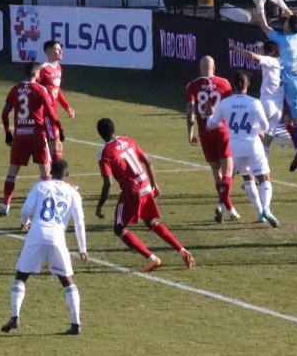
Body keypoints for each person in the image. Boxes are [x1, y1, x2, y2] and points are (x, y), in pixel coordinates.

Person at [94, 118, 195, 273]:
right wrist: (154, 185)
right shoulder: (127, 140)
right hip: (145, 185)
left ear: (100, 134)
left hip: (132, 192)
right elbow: (148, 160)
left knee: (119, 228)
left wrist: (99, 206)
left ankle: (151, 258)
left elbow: (108, 183)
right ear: (114, 129)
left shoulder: (105, 153)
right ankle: (182, 250)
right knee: (152, 222)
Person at [1, 159, 88, 336]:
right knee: (67, 280)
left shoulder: (40, 186)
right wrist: (82, 248)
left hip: (36, 234)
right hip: (57, 237)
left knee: (21, 276)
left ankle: (15, 315)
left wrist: (25, 222)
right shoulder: (73, 193)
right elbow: (79, 222)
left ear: (50, 173)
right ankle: (76, 323)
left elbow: (26, 210)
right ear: (67, 175)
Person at [253, 0, 297, 179]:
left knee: (295, 123)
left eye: (286, 23)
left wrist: (260, 7)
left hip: (295, 86)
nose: (285, 23)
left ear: (288, 28)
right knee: (291, 119)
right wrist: (282, 4)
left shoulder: (283, 40)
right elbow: (293, 18)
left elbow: (264, 26)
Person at [206, 71, 279, 227]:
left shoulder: (225, 103)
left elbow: (210, 125)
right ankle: (265, 208)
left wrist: (211, 115)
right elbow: (265, 126)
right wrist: (258, 129)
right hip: (253, 145)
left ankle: (260, 214)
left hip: (234, 148)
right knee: (265, 179)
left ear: (233, 85)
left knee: (248, 178)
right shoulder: (254, 103)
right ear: (248, 85)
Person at [0, 62, 64, 217]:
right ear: (36, 74)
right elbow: (51, 112)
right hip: (37, 135)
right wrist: (59, 128)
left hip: (20, 135)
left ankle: (5, 205)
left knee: (12, 172)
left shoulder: (15, 89)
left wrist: (8, 132)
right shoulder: (40, 90)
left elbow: (4, 113)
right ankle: (48, 205)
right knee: (45, 172)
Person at [185, 55, 239, 222]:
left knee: (217, 174)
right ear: (214, 68)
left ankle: (230, 209)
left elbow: (190, 109)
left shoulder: (192, 86)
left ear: (200, 68)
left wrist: (190, 132)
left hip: (205, 133)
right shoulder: (224, 84)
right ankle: (221, 205)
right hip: (222, 131)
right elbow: (232, 108)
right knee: (228, 172)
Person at [37, 39, 76, 161]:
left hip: (54, 112)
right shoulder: (43, 69)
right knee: (55, 141)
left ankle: (53, 168)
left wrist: (67, 107)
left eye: (61, 49)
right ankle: (57, 170)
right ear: (48, 51)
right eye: (57, 49)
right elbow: (34, 88)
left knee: (52, 142)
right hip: (45, 113)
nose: (61, 51)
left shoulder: (58, 68)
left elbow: (57, 91)